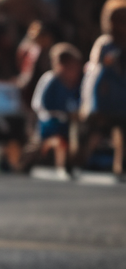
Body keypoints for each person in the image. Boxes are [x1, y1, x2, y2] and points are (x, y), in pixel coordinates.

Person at [80, 0, 126, 177]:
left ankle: (119, 166)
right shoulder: (105, 43)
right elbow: (95, 70)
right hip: (105, 95)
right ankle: (81, 160)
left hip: (122, 96)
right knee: (97, 131)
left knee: (121, 133)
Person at [30, 43, 82, 178]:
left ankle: (70, 164)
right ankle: (61, 164)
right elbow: (39, 104)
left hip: (66, 122)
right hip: (48, 122)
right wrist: (60, 113)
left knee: (76, 133)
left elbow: (76, 102)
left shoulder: (74, 85)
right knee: (61, 139)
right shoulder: (51, 80)